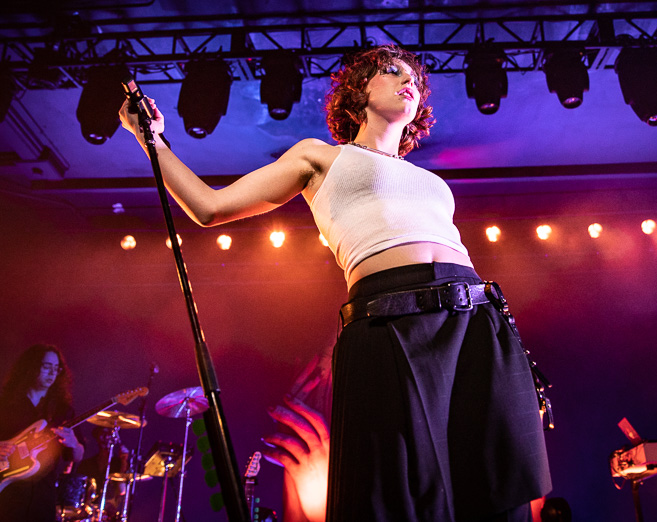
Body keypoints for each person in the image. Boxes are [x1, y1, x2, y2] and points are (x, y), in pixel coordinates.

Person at [120, 43, 552, 521]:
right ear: (359, 90)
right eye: (392, 71)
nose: (407, 81)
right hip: (392, 319)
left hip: (474, 316)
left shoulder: (427, 179)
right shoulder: (321, 157)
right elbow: (209, 207)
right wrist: (151, 140)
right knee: (399, 489)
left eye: (414, 78)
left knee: (496, 483)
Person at [0, 344, 85, 522]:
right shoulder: (5, 404)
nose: (52, 373)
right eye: (47, 366)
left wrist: (74, 444)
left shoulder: (62, 411)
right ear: (31, 367)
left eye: (56, 368)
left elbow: (78, 455)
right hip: (7, 494)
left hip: (43, 496)